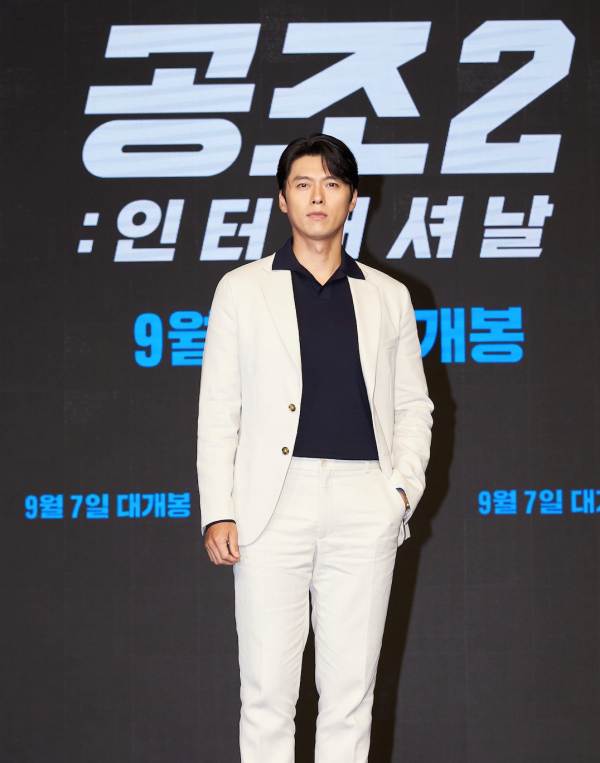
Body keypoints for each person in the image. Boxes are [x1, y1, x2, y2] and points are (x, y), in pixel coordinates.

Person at [196, 132, 434, 762]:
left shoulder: (388, 295)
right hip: (272, 504)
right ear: (283, 199)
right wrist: (219, 508)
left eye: (332, 184)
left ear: (353, 199)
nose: (317, 197)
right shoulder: (242, 289)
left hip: (364, 500)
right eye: (303, 184)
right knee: (267, 695)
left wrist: (399, 493)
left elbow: (413, 406)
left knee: (351, 696)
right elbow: (219, 407)